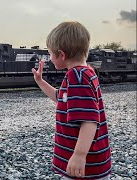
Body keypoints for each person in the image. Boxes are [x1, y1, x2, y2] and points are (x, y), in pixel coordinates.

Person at [31, 21, 111, 179]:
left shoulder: (77, 77)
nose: (50, 58)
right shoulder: (86, 72)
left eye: (50, 54)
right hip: (90, 164)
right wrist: (40, 81)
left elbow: (89, 120)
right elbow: (60, 99)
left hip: (85, 167)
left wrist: (79, 155)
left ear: (61, 54)